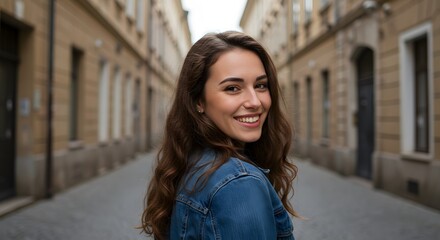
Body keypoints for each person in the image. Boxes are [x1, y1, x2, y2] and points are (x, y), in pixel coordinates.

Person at [141, 31, 298, 240]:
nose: (255, 102)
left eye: (261, 85)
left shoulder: (195, 162)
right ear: (198, 101)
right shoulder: (237, 184)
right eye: (233, 88)